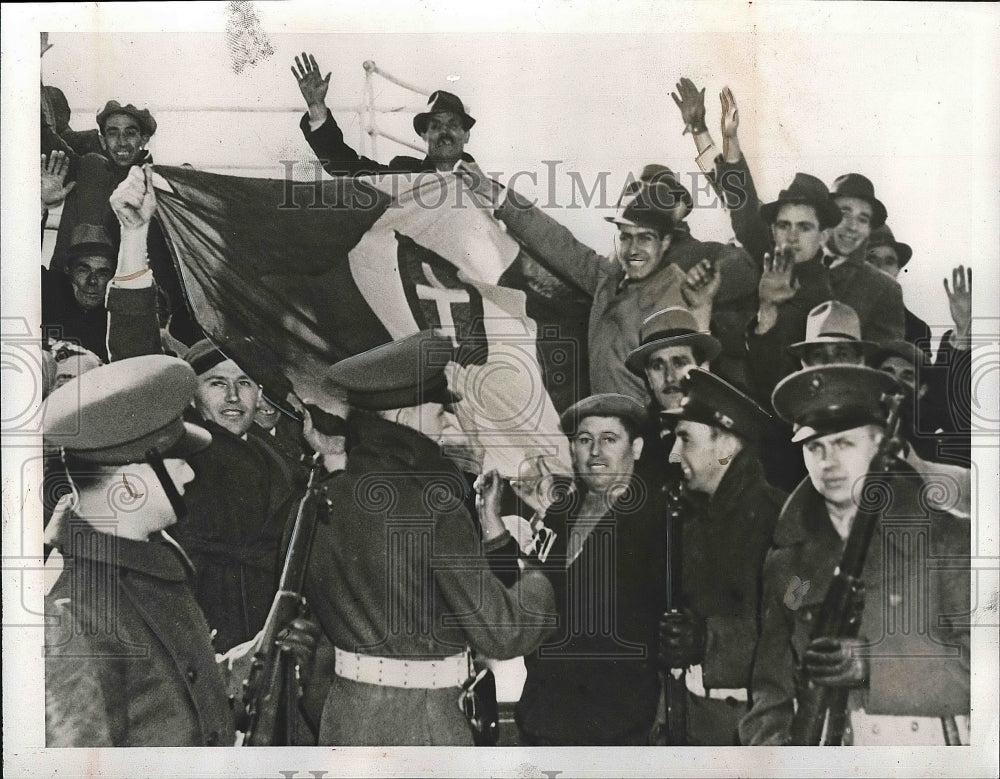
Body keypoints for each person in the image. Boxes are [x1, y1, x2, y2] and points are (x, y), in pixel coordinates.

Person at [42, 355, 319, 747]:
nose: (190, 474)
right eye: (179, 464)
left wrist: (238, 666)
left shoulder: (150, 564)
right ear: (131, 487)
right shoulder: (68, 615)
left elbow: (162, 697)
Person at [300, 330, 557, 746]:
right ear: (405, 418)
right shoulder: (434, 503)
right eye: (440, 411)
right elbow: (502, 632)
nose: (448, 422)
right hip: (423, 726)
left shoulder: (320, 498)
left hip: (346, 716)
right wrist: (541, 579)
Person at [105, 165, 295, 652]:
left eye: (245, 383)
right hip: (194, 630)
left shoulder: (286, 460)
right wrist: (134, 234)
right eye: (216, 383)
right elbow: (133, 358)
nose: (233, 398)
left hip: (270, 645)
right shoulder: (181, 444)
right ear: (191, 395)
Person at [740, 365, 970, 745]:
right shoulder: (790, 568)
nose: (827, 462)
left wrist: (875, 667)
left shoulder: (948, 541)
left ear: (880, 447)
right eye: (815, 447)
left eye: (844, 444)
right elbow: (771, 690)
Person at [461, 161, 760, 402]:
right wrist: (499, 196)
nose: (634, 250)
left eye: (646, 238)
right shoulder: (608, 279)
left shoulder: (677, 295)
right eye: (625, 236)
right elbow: (560, 244)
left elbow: (682, 394)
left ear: (666, 241)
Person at [673, 81, 904, 346]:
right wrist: (702, 130)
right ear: (826, 220)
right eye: (845, 213)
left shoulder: (880, 287)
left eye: (863, 219)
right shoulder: (778, 247)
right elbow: (737, 196)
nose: (851, 226)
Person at [515, 393, 668, 745]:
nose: (595, 451)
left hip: (618, 723)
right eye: (584, 440)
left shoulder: (658, 519)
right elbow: (526, 593)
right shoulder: (559, 513)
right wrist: (492, 523)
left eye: (609, 439)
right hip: (543, 716)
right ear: (572, 451)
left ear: (638, 448)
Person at [656, 369, 786, 745]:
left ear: (726, 447)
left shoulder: (781, 520)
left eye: (685, 439)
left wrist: (708, 641)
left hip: (748, 729)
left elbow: (797, 609)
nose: (673, 453)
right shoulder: (692, 520)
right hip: (691, 717)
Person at [293, 52, 476, 176]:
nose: (445, 133)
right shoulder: (402, 176)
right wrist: (316, 107)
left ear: (466, 134)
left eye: (452, 125)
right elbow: (344, 165)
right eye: (435, 126)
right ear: (423, 135)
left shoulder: (490, 192)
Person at [870, 340, 971, 519]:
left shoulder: (937, 451)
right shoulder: (848, 432)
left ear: (922, 390)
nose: (896, 381)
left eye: (907, 376)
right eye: (887, 372)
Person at [623, 306, 721, 474]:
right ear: (648, 378)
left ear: (700, 368)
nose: (669, 377)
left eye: (679, 363)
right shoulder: (635, 439)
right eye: (658, 366)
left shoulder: (725, 428)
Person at [41, 223, 116, 361]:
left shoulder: (117, 318)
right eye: (83, 270)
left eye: (102, 273)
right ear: (67, 270)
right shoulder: (48, 291)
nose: (92, 281)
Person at [864, 224, 932, 356]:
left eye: (889, 262)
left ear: (898, 270)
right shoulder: (834, 311)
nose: (880, 268)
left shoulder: (916, 329)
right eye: (871, 259)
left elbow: (923, 375)